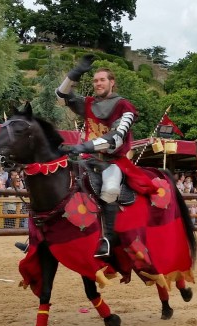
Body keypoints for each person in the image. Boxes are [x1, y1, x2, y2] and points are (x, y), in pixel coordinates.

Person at [56, 54, 165, 258]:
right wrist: (74, 74)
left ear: (111, 83)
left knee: (110, 188)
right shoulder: (88, 103)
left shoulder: (125, 107)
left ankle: (108, 239)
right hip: (86, 159)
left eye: (102, 80)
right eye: (95, 80)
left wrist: (84, 146)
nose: (98, 84)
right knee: (60, 179)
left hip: (112, 162)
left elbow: (116, 138)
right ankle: (45, 236)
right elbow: (62, 97)